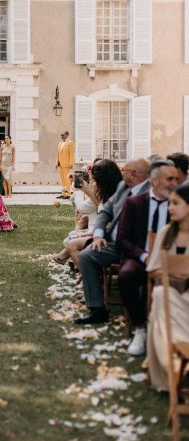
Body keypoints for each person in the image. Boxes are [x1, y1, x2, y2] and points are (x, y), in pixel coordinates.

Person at [75, 158, 150, 325]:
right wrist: (99, 234)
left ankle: (139, 321)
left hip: (136, 246)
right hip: (113, 243)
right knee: (87, 256)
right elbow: (106, 212)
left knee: (128, 274)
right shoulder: (123, 187)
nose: (120, 172)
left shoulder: (149, 192)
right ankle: (97, 309)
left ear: (133, 173)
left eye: (123, 170)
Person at [116, 160, 179, 355]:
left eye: (176, 179)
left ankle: (173, 331)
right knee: (125, 276)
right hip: (140, 259)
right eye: (170, 179)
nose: (174, 183)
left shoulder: (179, 205)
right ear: (154, 181)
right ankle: (140, 328)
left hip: (172, 261)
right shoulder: (135, 203)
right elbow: (122, 239)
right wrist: (144, 256)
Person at [146, 183, 189, 391]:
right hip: (169, 290)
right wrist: (173, 275)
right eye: (170, 203)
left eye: (175, 203)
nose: (170, 208)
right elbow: (153, 270)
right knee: (162, 295)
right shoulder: (165, 233)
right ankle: (171, 365)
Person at [53, 160, 122, 270]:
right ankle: (67, 259)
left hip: (108, 239)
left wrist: (79, 190)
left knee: (71, 241)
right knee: (73, 235)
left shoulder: (112, 196)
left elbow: (88, 207)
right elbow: (97, 203)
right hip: (101, 233)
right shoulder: (107, 192)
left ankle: (82, 272)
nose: (92, 182)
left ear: (103, 180)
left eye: (94, 180)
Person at [55, 131, 75, 200]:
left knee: (67, 180)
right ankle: (63, 194)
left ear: (67, 135)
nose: (62, 136)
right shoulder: (60, 143)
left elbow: (72, 154)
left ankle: (68, 194)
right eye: (61, 135)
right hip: (60, 164)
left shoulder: (70, 143)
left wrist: (71, 163)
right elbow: (58, 154)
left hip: (66, 164)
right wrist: (56, 163)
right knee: (63, 180)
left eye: (63, 135)